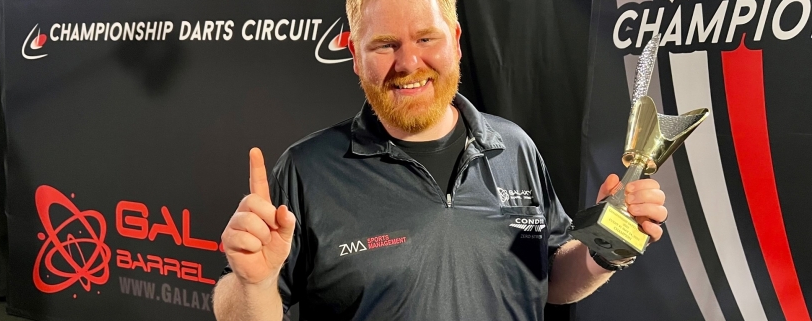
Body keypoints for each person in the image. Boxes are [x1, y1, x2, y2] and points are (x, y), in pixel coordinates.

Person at [212, 0, 668, 319]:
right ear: (355, 54)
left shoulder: (515, 148)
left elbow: (548, 280)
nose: (409, 63)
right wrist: (253, 285)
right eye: (385, 44)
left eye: (426, 38)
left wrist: (608, 244)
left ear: (455, 40)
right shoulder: (306, 171)